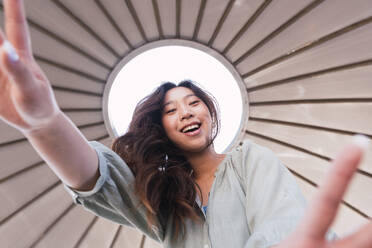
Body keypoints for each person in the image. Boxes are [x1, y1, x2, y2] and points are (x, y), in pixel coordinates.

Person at [0, 0, 371, 247]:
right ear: (160, 129)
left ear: (210, 113)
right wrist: (44, 123)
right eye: (171, 110)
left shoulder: (248, 161)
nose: (187, 112)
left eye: (194, 103)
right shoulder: (163, 194)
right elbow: (95, 178)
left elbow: (283, 222)